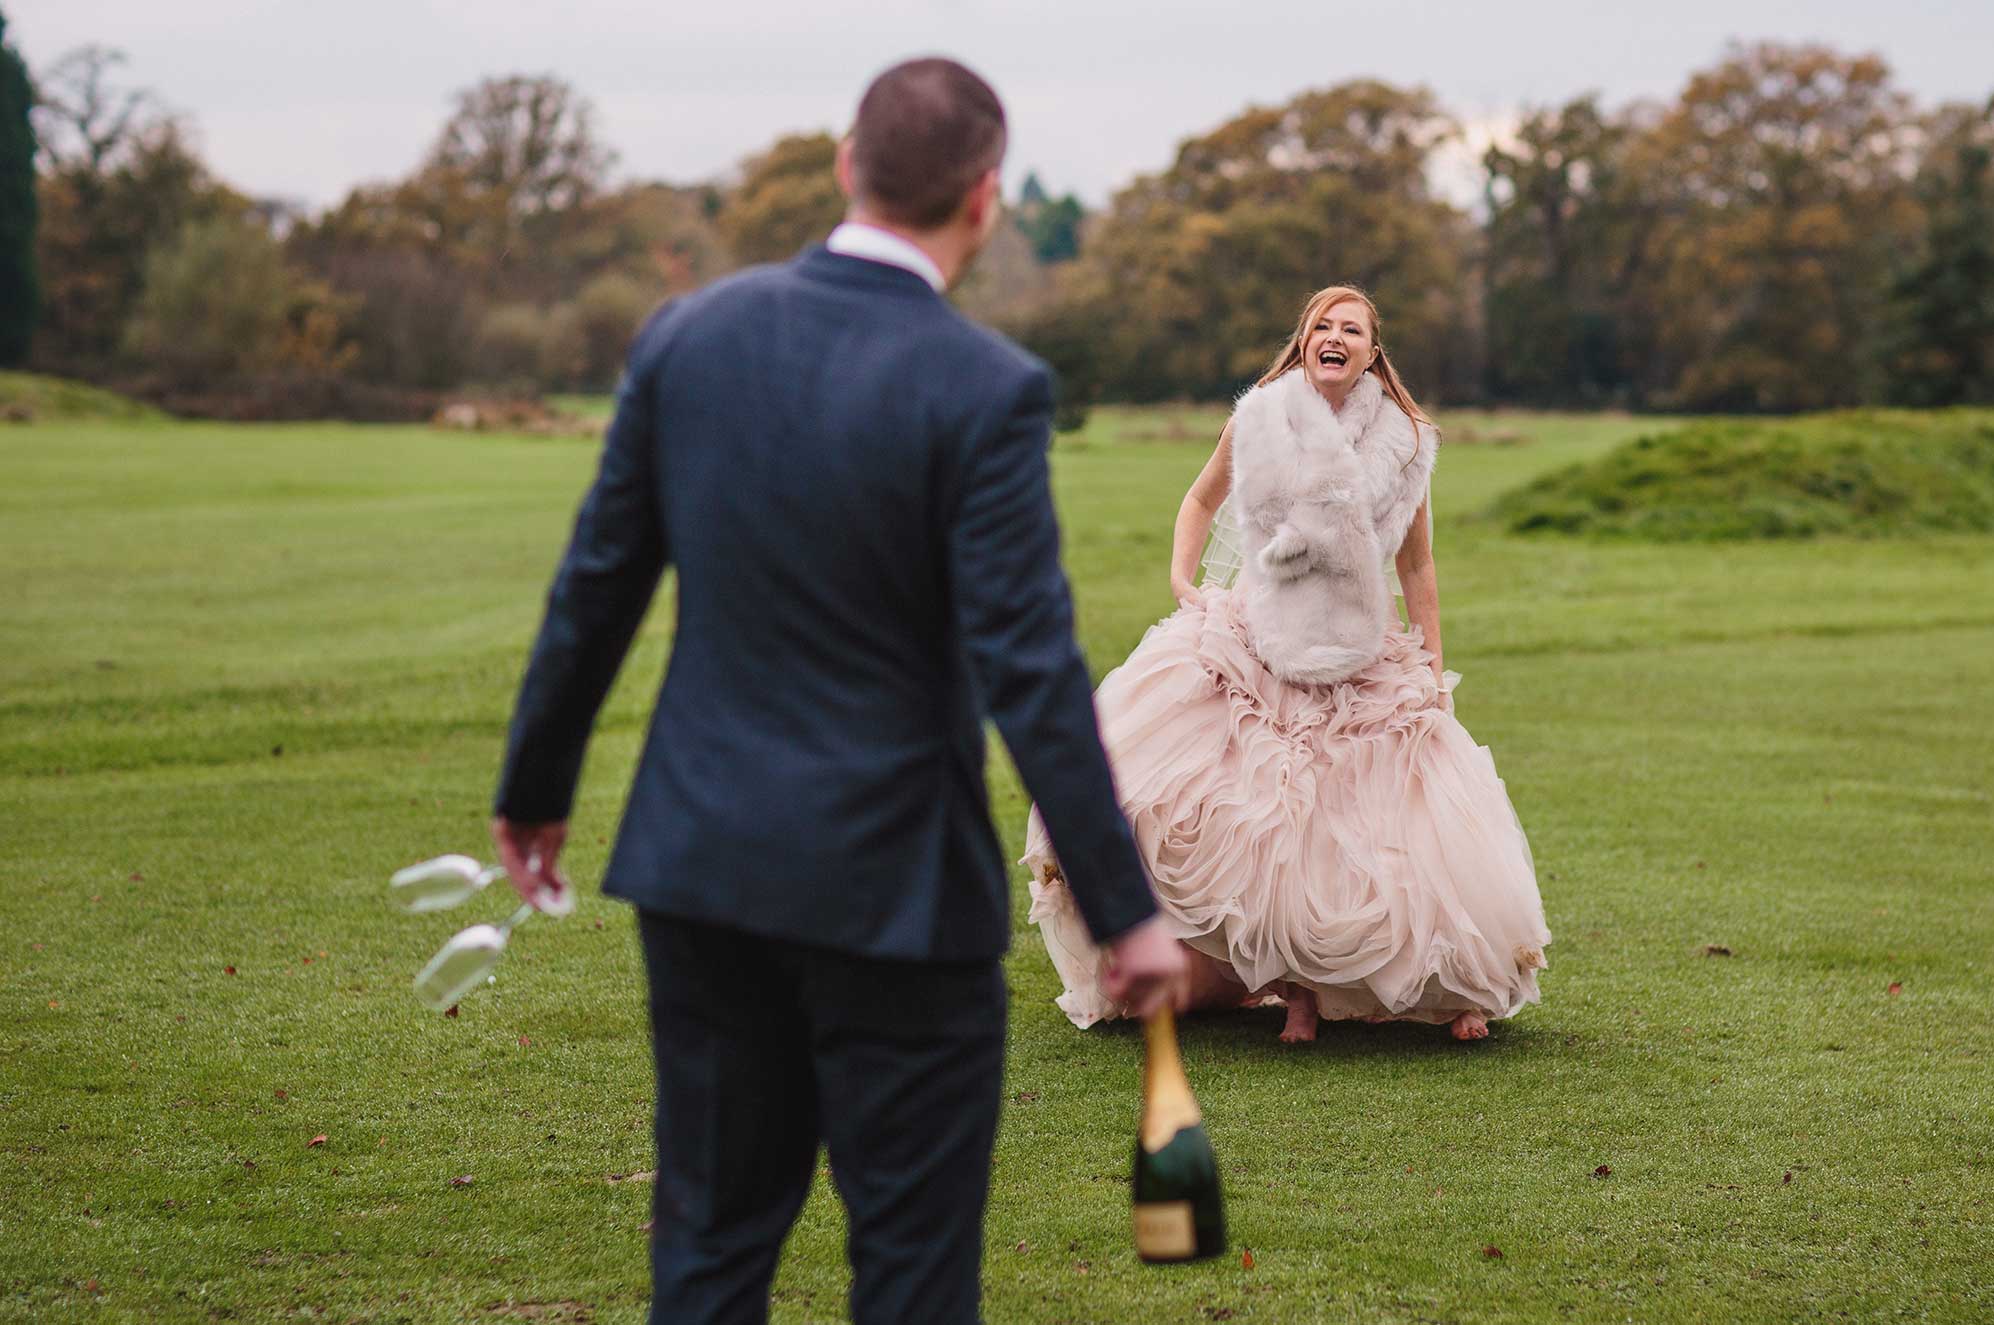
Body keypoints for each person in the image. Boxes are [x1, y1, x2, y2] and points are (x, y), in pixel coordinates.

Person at [488, 57, 1188, 1325]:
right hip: (898, 897)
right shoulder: (985, 387)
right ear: (983, 200)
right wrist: (1125, 905)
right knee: (912, 1275)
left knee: (705, 1252)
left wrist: (534, 792)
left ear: (842, 164)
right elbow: (1027, 667)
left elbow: (595, 586)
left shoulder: (686, 336)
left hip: (701, 868)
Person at [1025, 286, 1550, 1044]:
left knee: (1372, 818)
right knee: (1231, 809)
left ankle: (1440, 986)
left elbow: (1419, 566)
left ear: (1374, 352)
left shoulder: (1404, 441)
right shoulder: (1260, 417)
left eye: (1352, 329)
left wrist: (1433, 664)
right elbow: (1201, 499)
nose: (1333, 336)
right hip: (1258, 634)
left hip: (1358, 646)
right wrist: (1184, 579)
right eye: (1321, 326)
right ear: (1304, 341)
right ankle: (1287, 986)